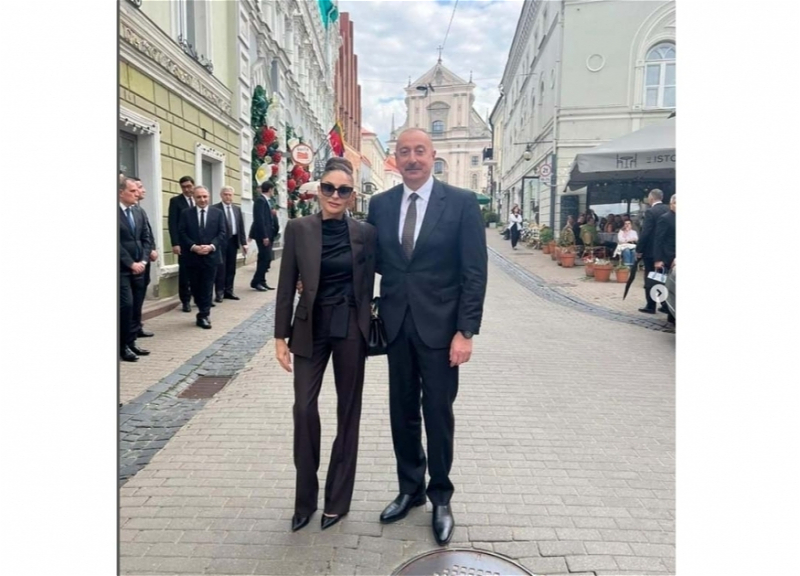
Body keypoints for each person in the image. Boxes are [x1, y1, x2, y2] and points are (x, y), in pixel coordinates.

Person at [367, 128, 488, 546]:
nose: (412, 158)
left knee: (437, 413)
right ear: (396, 159)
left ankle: (441, 496)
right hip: (396, 327)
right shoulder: (380, 205)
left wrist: (465, 331)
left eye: (420, 151)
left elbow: (474, 272)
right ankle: (410, 489)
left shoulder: (461, 202)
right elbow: (368, 261)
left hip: (441, 330)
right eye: (404, 152)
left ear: (433, 155)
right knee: (401, 412)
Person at [274, 158, 377, 533]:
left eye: (343, 190)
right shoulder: (298, 228)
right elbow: (287, 283)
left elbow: (386, 273)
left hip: (350, 325)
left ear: (352, 196)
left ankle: (337, 501)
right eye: (329, 188)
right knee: (304, 408)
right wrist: (279, 336)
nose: (335, 195)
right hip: (310, 327)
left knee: (348, 412)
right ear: (319, 190)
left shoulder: (366, 234)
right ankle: (305, 500)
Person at [179, 186, 226, 329]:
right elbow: (182, 233)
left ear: (209, 197)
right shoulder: (186, 214)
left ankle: (204, 314)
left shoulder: (217, 213)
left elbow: (222, 232)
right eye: (199, 197)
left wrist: (211, 246)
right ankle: (201, 307)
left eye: (205, 196)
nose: (202, 199)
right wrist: (193, 247)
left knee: (207, 286)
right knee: (195, 287)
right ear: (194, 198)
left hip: (211, 256)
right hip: (192, 257)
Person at [119, 178, 152, 362]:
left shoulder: (138, 211)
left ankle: (131, 342)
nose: (137, 193)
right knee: (126, 305)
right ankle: (122, 345)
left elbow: (146, 238)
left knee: (136, 307)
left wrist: (144, 261)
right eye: (132, 191)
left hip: (140, 267)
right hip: (122, 269)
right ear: (120, 192)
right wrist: (131, 263)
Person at [636, 189, 671, 314]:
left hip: (651, 251)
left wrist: (639, 249)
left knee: (650, 278)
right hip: (666, 252)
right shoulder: (668, 210)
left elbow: (646, 232)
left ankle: (651, 305)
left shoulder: (651, 212)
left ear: (651, 198)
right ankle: (665, 304)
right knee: (663, 278)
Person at [132, 178, 158, 338]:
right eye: (139, 187)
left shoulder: (139, 209)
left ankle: (137, 326)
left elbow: (147, 234)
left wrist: (152, 249)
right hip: (134, 261)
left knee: (140, 295)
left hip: (144, 259)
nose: (143, 190)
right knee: (133, 298)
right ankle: (132, 329)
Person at [212, 186, 248, 302]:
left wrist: (244, 243)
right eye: (225, 194)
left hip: (233, 241)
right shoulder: (215, 209)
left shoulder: (237, 209)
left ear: (233, 196)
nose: (228, 197)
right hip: (220, 242)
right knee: (220, 268)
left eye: (230, 195)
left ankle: (229, 290)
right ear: (221, 195)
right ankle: (219, 292)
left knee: (231, 267)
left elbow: (241, 227)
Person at [169, 176, 197, 312]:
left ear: (193, 185)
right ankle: (185, 301)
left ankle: (199, 298)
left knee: (198, 272)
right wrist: (175, 243)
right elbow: (172, 223)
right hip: (183, 244)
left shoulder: (199, 199)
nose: (186, 189)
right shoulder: (176, 201)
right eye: (184, 187)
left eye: (189, 186)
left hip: (199, 244)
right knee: (185, 274)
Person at [250, 181, 278, 291]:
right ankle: (256, 281)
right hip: (263, 236)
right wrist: (264, 236)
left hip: (269, 234)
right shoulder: (260, 201)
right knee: (265, 258)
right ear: (270, 189)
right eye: (273, 189)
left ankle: (262, 281)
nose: (273, 192)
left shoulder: (267, 201)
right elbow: (259, 220)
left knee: (265, 258)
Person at [654, 195, 676, 322]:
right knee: (669, 286)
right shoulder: (665, 218)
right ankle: (670, 314)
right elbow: (659, 240)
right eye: (675, 203)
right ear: (671, 204)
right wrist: (658, 259)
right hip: (668, 257)